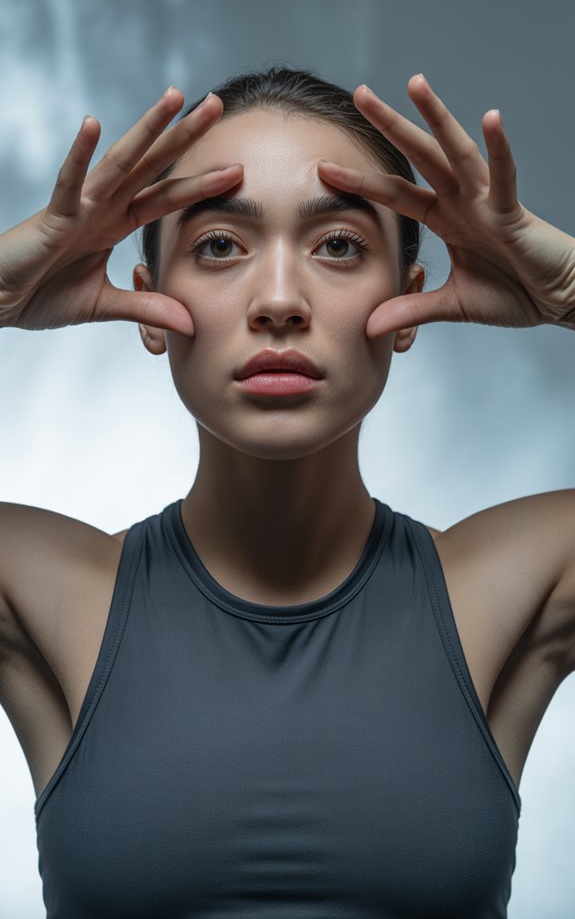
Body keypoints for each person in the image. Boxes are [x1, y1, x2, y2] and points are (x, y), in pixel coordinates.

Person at [0, 65, 574, 919]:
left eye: (337, 244)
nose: (277, 300)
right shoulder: (36, 585)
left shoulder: (522, 579)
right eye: (220, 245)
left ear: (409, 304)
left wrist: (568, 288)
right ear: (148, 302)